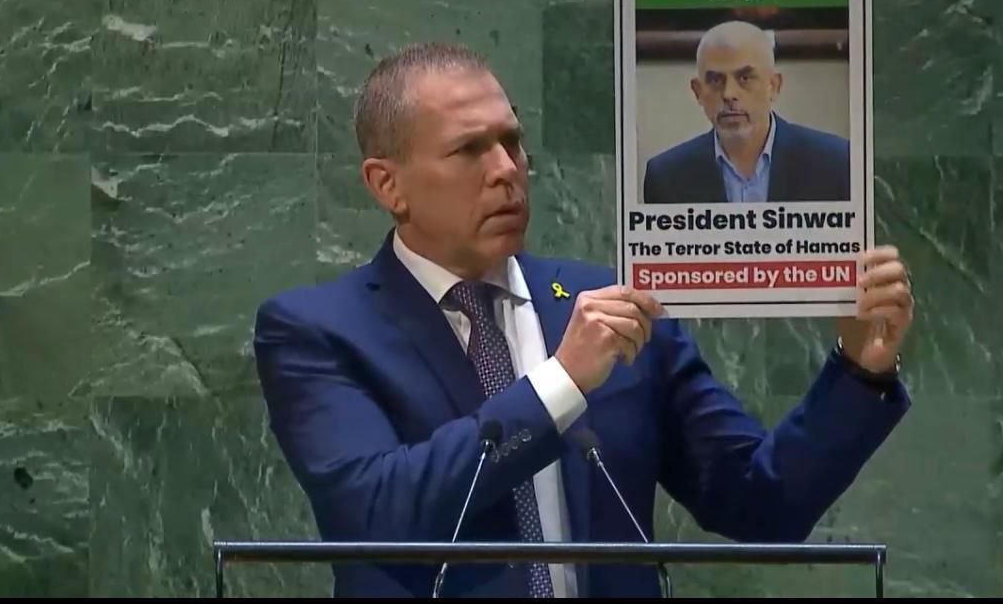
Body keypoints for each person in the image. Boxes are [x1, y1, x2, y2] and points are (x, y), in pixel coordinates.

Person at [253, 42, 914, 598]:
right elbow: (377, 517)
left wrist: (859, 370)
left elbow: (760, 504)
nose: (507, 171)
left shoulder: (610, 304)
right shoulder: (317, 331)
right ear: (386, 184)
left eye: (512, 142)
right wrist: (560, 384)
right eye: (469, 150)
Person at [642, 20, 850, 204]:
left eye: (744, 78)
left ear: (773, 86)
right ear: (698, 91)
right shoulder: (665, 177)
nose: (729, 94)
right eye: (715, 80)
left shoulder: (836, 163)